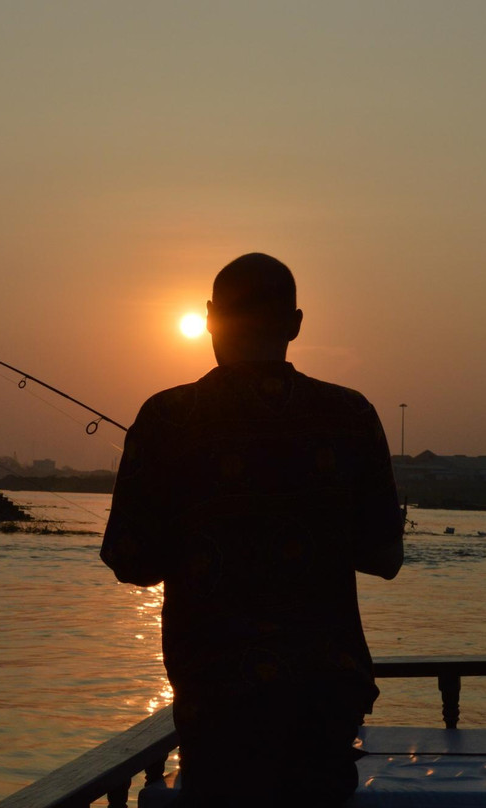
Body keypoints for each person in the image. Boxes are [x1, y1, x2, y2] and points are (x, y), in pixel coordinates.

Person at [101, 253, 404, 807]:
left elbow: (131, 561)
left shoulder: (168, 418)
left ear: (210, 317)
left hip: (217, 700)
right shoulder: (351, 416)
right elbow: (385, 556)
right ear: (295, 324)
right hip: (324, 701)